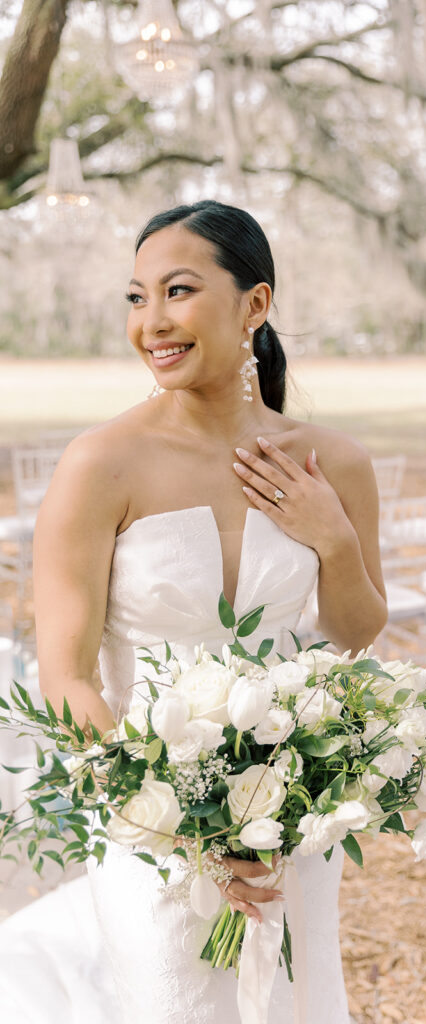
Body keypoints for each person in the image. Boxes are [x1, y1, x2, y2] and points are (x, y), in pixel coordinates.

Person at [0, 200, 387, 1024]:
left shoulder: (333, 462)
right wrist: (183, 829)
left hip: (294, 819)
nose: (151, 322)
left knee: (295, 1001)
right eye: (136, 298)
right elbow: (64, 673)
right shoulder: (100, 463)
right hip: (150, 833)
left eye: (177, 291)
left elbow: (355, 631)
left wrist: (333, 541)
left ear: (255, 304)